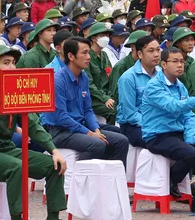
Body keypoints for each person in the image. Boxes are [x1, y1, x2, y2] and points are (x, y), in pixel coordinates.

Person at [0, 45, 80, 220]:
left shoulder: (15, 88)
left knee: (53, 165)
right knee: (17, 167)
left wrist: (53, 150)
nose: (13, 68)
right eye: (7, 63)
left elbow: (33, 124)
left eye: (14, 63)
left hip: (7, 149)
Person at [142, 47, 195, 213]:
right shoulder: (154, 86)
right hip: (158, 135)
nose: (180, 65)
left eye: (182, 61)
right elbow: (172, 107)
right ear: (163, 64)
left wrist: (189, 139)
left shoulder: (180, 86)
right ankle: (171, 180)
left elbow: (188, 116)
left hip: (178, 134)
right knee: (192, 154)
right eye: (175, 61)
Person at [44, 36, 130, 167]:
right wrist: (89, 133)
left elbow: (88, 110)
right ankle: (78, 179)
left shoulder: (83, 76)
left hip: (80, 126)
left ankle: (110, 182)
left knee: (121, 140)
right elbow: (62, 117)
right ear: (71, 56)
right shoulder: (58, 80)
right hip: (60, 132)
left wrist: (96, 129)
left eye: (88, 52)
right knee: (97, 145)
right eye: (84, 53)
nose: (89, 57)